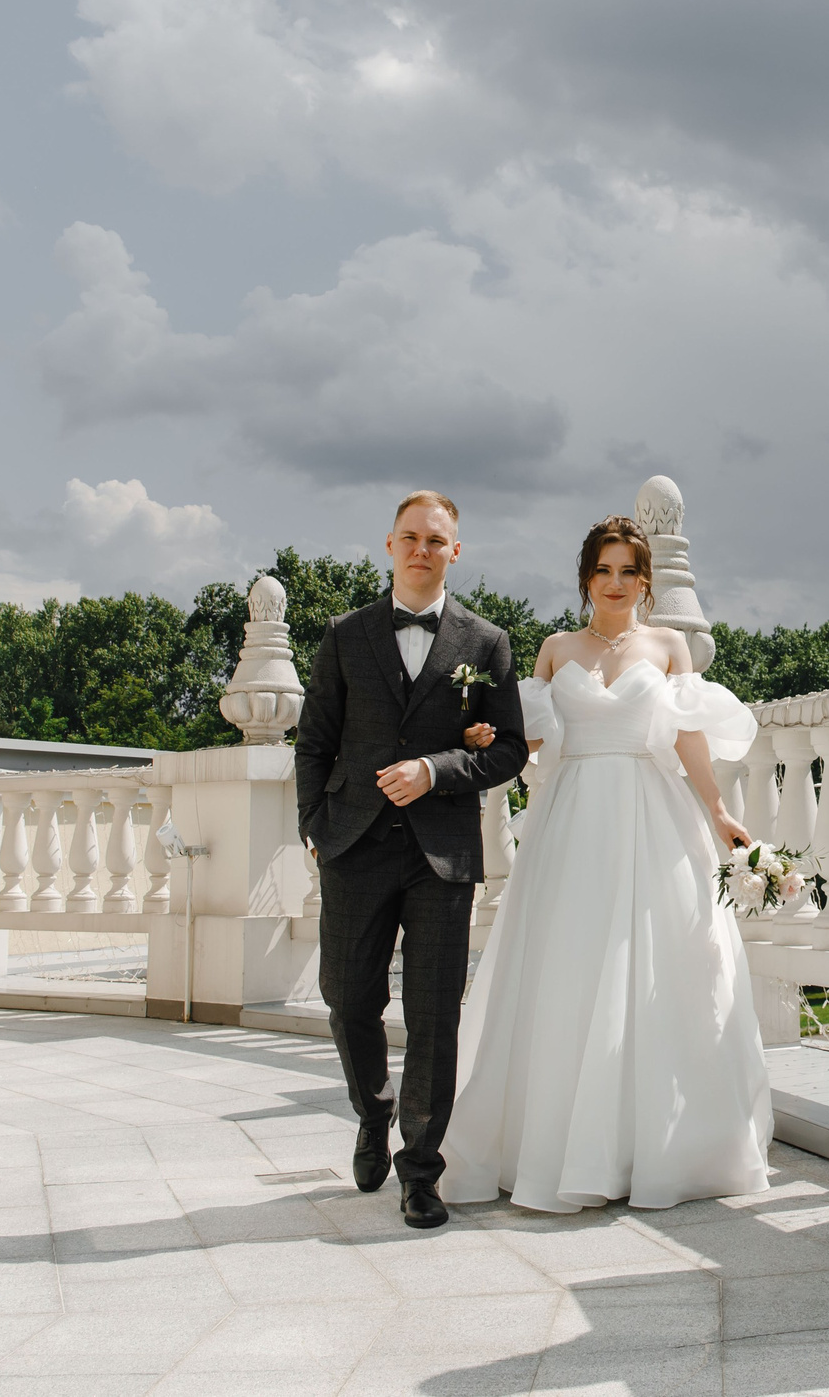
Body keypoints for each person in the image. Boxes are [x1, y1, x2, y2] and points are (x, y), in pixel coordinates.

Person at [442, 515, 774, 1211]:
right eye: (603, 570)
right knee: (568, 971)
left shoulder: (668, 644)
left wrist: (717, 811)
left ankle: (655, 1149)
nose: (616, 583)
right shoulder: (555, 648)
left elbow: (687, 738)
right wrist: (479, 729)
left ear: (645, 579)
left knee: (658, 971)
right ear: (586, 576)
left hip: (651, 816)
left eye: (628, 570)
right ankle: (561, 1145)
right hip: (572, 821)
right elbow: (524, 737)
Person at [294, 491, 529, 1230]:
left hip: (442, 857)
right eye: (410, 537)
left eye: (437, 539)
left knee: (434, 1018)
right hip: (354, 845)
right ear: (389, 546)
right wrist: (312, 824)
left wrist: (438, 769)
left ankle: (420, 1170)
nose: (422, 548)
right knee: (346, 996)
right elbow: (314, 741)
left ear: (456, 551)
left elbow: (510, 752)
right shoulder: (343, 635)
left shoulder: (487, 643)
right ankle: (373, 1109)